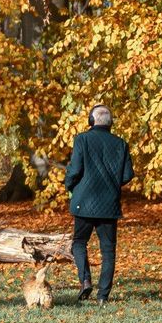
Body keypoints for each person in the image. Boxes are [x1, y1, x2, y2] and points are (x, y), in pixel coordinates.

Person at [64, 104, 134, 306]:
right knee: (108, 251)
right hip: (109, 206)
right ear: (110, 123)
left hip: (83, 203)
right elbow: (127, 175)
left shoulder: (82, 139)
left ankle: (85, 280)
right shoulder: (121, 144)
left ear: (91, 121)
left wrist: (70, 186)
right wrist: (112, 184)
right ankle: (103, 296)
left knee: (79, 243)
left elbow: (75, 169)